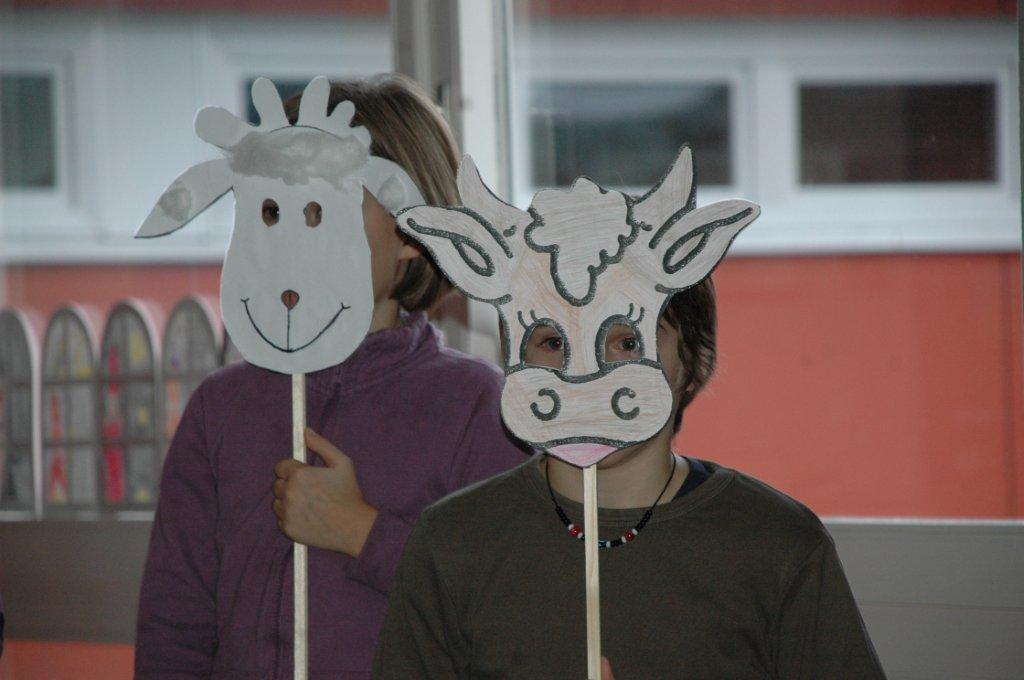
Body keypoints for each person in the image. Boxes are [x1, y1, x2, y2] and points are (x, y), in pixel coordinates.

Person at [135, 75, 526, 679]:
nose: (293, 235)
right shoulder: (221, 410)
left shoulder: (477, 406)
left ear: (412, 234)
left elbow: (510, 606)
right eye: (274, 209)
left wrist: (362, 532)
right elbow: (175, 625)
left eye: (323, 207)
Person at [373, 278, 888, 679]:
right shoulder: (454, 540)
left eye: (625, 341)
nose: (587, 376)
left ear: (692, 362)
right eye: (553, 340)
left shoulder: (776, 544)